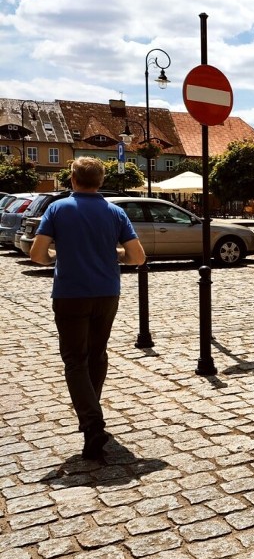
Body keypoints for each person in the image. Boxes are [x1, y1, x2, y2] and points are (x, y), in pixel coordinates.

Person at [30, 157, 146, 463]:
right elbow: (137, 257)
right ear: (101, 180)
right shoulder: (115, 212)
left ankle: (92, 422)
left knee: (74, 359)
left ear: (72, 179)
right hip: (107, 292)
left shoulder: (57, 209)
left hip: (70, 293)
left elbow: (37, 254)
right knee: (97, 354)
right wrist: (114, 254)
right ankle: (91, 417)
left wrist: (59, 256)